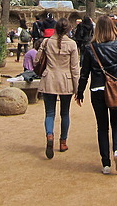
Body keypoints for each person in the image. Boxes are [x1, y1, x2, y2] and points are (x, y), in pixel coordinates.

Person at [76, 16, 117, 175]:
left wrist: (80, 92)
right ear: (113, 28)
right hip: (116, 89)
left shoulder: (91, 47)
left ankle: (105, 163)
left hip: (97, 89)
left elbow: (84, 73)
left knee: (102, 127)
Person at [37, 18, 80, 158]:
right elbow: (74, 68)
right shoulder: (72, 44)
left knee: (50, 113)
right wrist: (77, 88)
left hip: (49, 78)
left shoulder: (47, 42)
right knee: (65, 113)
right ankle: (63, 142)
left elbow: (36, 60)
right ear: (68, 30)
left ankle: (50, 135)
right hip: (66, 81)